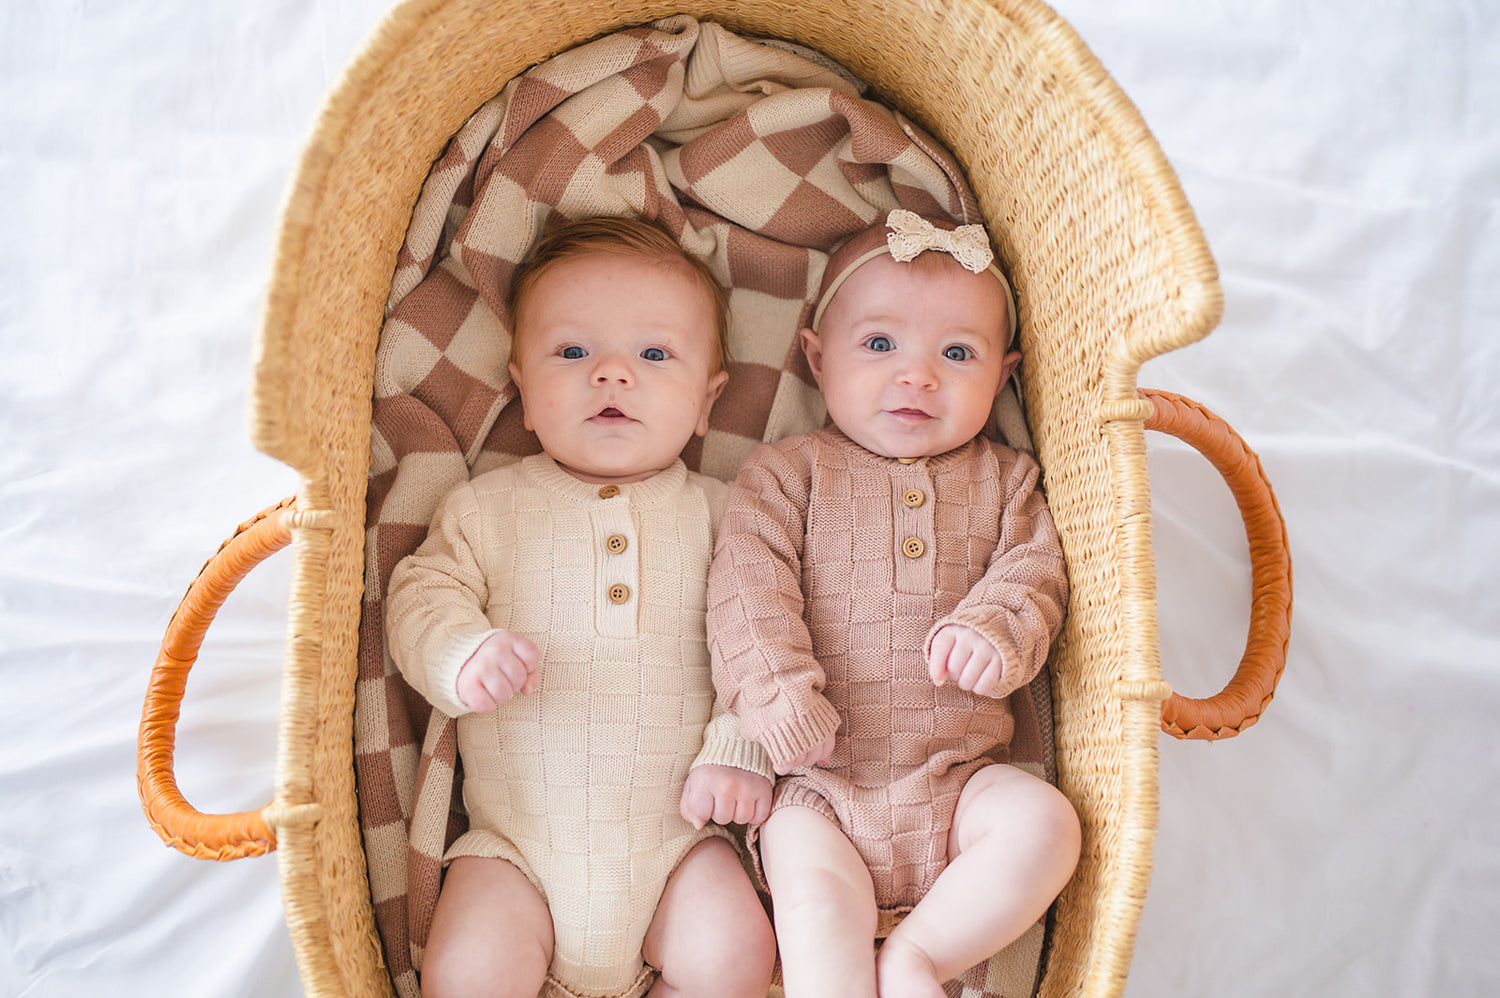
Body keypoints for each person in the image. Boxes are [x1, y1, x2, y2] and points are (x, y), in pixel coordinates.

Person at [386, 216, 777, 998]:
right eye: (571, 353)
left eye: (654, 354)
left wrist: (738, 746)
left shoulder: (730, 515)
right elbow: (418, 596)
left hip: (681, 844)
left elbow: (770, 644)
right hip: (516, 851)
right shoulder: (484, 509)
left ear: (707, 403)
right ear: (522, 393)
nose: (611, 374)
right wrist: (461, 652)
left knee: (737, 953)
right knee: (463, 972)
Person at [707, 210, 1081, 998]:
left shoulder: (1008, 480)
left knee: (1047, 823)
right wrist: (778, 699)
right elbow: (746, 591)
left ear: (1005, 374)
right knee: (812, 899)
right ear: (816, 357)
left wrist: (995, 629)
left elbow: (1038, 573)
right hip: (821, 785)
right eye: (880, 345)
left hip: (961, 780)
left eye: (956, 353)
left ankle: (919, 956)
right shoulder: (786, 475)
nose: (918, 375)